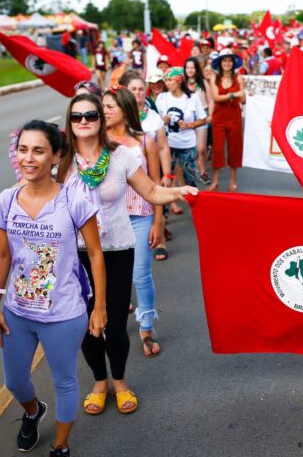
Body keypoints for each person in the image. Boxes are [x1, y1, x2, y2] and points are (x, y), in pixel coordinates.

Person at [57, 93, 196, 416]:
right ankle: (99, 382)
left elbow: (150, 191)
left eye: (90, 115)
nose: (83, 122)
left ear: (101, 119)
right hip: (74, 256)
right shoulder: (61, 159)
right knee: (84, 324)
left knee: (114, 324)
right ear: (69, 121)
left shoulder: (121, 156)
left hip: (116, 250)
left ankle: (119, 381)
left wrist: (179, 191)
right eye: (76, 117)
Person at [0, 121, 105, 456]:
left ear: (55, 155)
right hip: (17, 312)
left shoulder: (75, 199)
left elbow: (95, 254)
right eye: (23, 149)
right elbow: (2, 254)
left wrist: (99, 307)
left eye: (38, 150)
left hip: (64, 313)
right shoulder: (6, 200)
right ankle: (32, 411)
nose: (29, 158)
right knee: (13, 381)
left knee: (65, 381)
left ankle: (60, 446)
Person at [103, 87, 164, 357]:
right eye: (102, 106)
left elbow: (154, 184)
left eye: (110, 106)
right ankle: (110, 324)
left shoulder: (144, 142)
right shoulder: (96, 142)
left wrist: (158, 222)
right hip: (106, 221)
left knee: (140, 275)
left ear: (126, 110)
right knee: (109, 278)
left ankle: (147, 327)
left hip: (140, 217)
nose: (103, 111)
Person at [120, 69, 172, 262]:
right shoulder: (119, 117)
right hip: (127, 176)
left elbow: (163, 148)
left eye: (141, 89)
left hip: (151, 170)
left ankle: (160, 242)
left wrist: (167, 175)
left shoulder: (153, 117)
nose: (138, 92)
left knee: (156, 200)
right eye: (133, 89)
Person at [157, 67, 207, 212]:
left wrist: (189, 125)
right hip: (168, 145)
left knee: (190, 177)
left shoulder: (192, 98)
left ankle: (198, 209)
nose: (167, 83)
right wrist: (163, 120)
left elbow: (203, 120)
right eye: (166, 80)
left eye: (170, 79)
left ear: (179, 81)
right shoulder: (162, 97)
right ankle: (164, 213)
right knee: (166, 178)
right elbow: (154, 119)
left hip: (188, 144)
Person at [209, 49, 246, 192]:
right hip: (219, 117)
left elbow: (243, 100)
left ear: (233, 63)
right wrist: (235, 94)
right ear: (220, 63)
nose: (227, 63)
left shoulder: (239, 78)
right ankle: (215, 181)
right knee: (217, 149)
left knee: (234, 148)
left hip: (234, 116)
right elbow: (216, 97)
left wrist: (244, 95)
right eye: (224, 61)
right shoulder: (214, 78)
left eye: (229, 61)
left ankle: (232, 181)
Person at [185, 57, 214, 185]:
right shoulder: (182, 83)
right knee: (190, 147)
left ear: (196, 69)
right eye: (188, 67)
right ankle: (194, 170)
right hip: (187, 118)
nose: (190, 70)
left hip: (202, 117)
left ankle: (203, 171)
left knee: (201, 148)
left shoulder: (203, 83)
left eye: (192, 67)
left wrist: (211, 115)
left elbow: (211, 100)